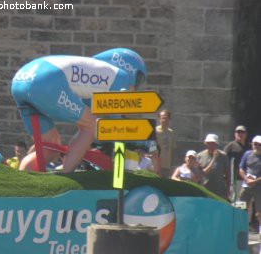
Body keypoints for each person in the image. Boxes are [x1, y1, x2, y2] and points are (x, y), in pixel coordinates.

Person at [11, 48, 147, 173]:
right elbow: (116, 124)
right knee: (91, 126)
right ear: (132, 71)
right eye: (139, 81)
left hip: (20, 80)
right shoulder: (121, 76)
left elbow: (91, 111)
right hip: (45, 82)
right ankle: (66, 176)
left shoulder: (96, 71)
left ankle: (23, 177)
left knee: (50, 145)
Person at [239, 135, 261, 235]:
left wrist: (255, 181)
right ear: (252, 144)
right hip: (246, 186)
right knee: (241, 207)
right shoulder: (247, 154)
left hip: (259, 187)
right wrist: (246, 179)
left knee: (259, 212)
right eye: (255, 144)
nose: (257, 146)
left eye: (259, 145)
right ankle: (240, 229)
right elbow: (241, 169)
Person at [197, 134, 230, 200]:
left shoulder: (223, 156)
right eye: (209, 143)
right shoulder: (200, 156)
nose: (211, 145)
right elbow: (199, 174)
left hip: (219, 190)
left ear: (217, 144)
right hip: (205, 189)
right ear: (206, 143)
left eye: (213, 143)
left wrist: (228, 189)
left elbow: (227, 173)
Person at [224, 125, 249, 201]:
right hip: (235, 178)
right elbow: (224, 158)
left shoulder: (249, 146)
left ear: (246, 134)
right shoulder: (231, 146)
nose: (240, 134)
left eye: (242, 132)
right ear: (235, 134)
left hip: (248, 178)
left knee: (246, 199)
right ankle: (236, 213)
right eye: (238, 132)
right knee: (236, 198)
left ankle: (245, 213)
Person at [155, 109, 175, 178]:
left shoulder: (171, 132)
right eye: (162, 118)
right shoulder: (155, 131)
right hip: (156, 165)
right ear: (159, 119)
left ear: (169, 119)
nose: (164, 120)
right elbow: (152, 149)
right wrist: (157, 166)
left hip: (167, 166)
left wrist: (171, 166)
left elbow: (172, 149)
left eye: (166, 118)